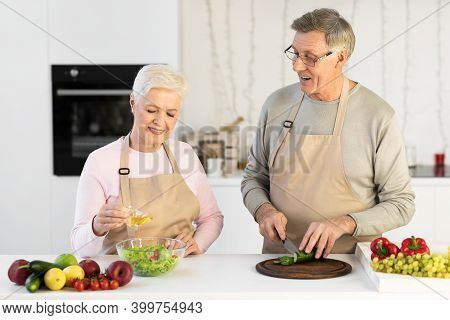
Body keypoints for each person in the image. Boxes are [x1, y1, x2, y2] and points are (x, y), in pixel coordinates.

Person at [241, 8, 415, 257]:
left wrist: (344, 222)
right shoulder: (276, 105)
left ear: (340, 57)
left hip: (353, 264)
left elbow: (401, 204)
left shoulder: (378, 116)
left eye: (310, 57)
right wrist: (263, 209)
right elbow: (254, 177)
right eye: (295, 54)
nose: (297, 65)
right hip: (280, 259)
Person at [71, 65, 224, 257]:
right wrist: (96, 226)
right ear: (133, 103)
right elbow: (79, 247)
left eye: (170, 114)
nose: (160, 121)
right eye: (152, 110)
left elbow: (212, 218)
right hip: (123, 277)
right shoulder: (101, 161)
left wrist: (197, 243)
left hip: (180, 273)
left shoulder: (185, 154)